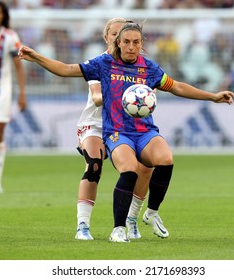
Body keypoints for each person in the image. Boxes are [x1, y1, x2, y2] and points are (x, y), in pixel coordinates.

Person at [18, 21, 234, 242]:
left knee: (166, 159)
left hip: (144, 131)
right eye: (127, 42)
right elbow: (66, 69)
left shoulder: (149, 68)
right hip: (117, 132)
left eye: (136, 42)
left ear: (142, 44)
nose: (131, 47)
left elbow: (177, 86)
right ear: (118, 43)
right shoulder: (103, 64)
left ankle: (151, 213)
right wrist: (37, 57)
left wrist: (213, 96)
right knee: (128, 169)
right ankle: (117, 229)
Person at [75, 18, 154, 241]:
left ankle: (131, 219)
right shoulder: (100, 63)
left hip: (125, 126)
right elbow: (97, 97)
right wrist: (123, 97)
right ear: (109, 38)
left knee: (145, 168)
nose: (122, 41)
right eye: (115, 35)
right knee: (94, 165)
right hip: (97, 124)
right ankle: (83, 225)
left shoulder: (139, 64)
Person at [0, 1, 26, 193]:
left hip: (2, 92)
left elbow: (18, 66)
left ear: (4, 15)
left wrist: (22, 92)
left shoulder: (9, 37)